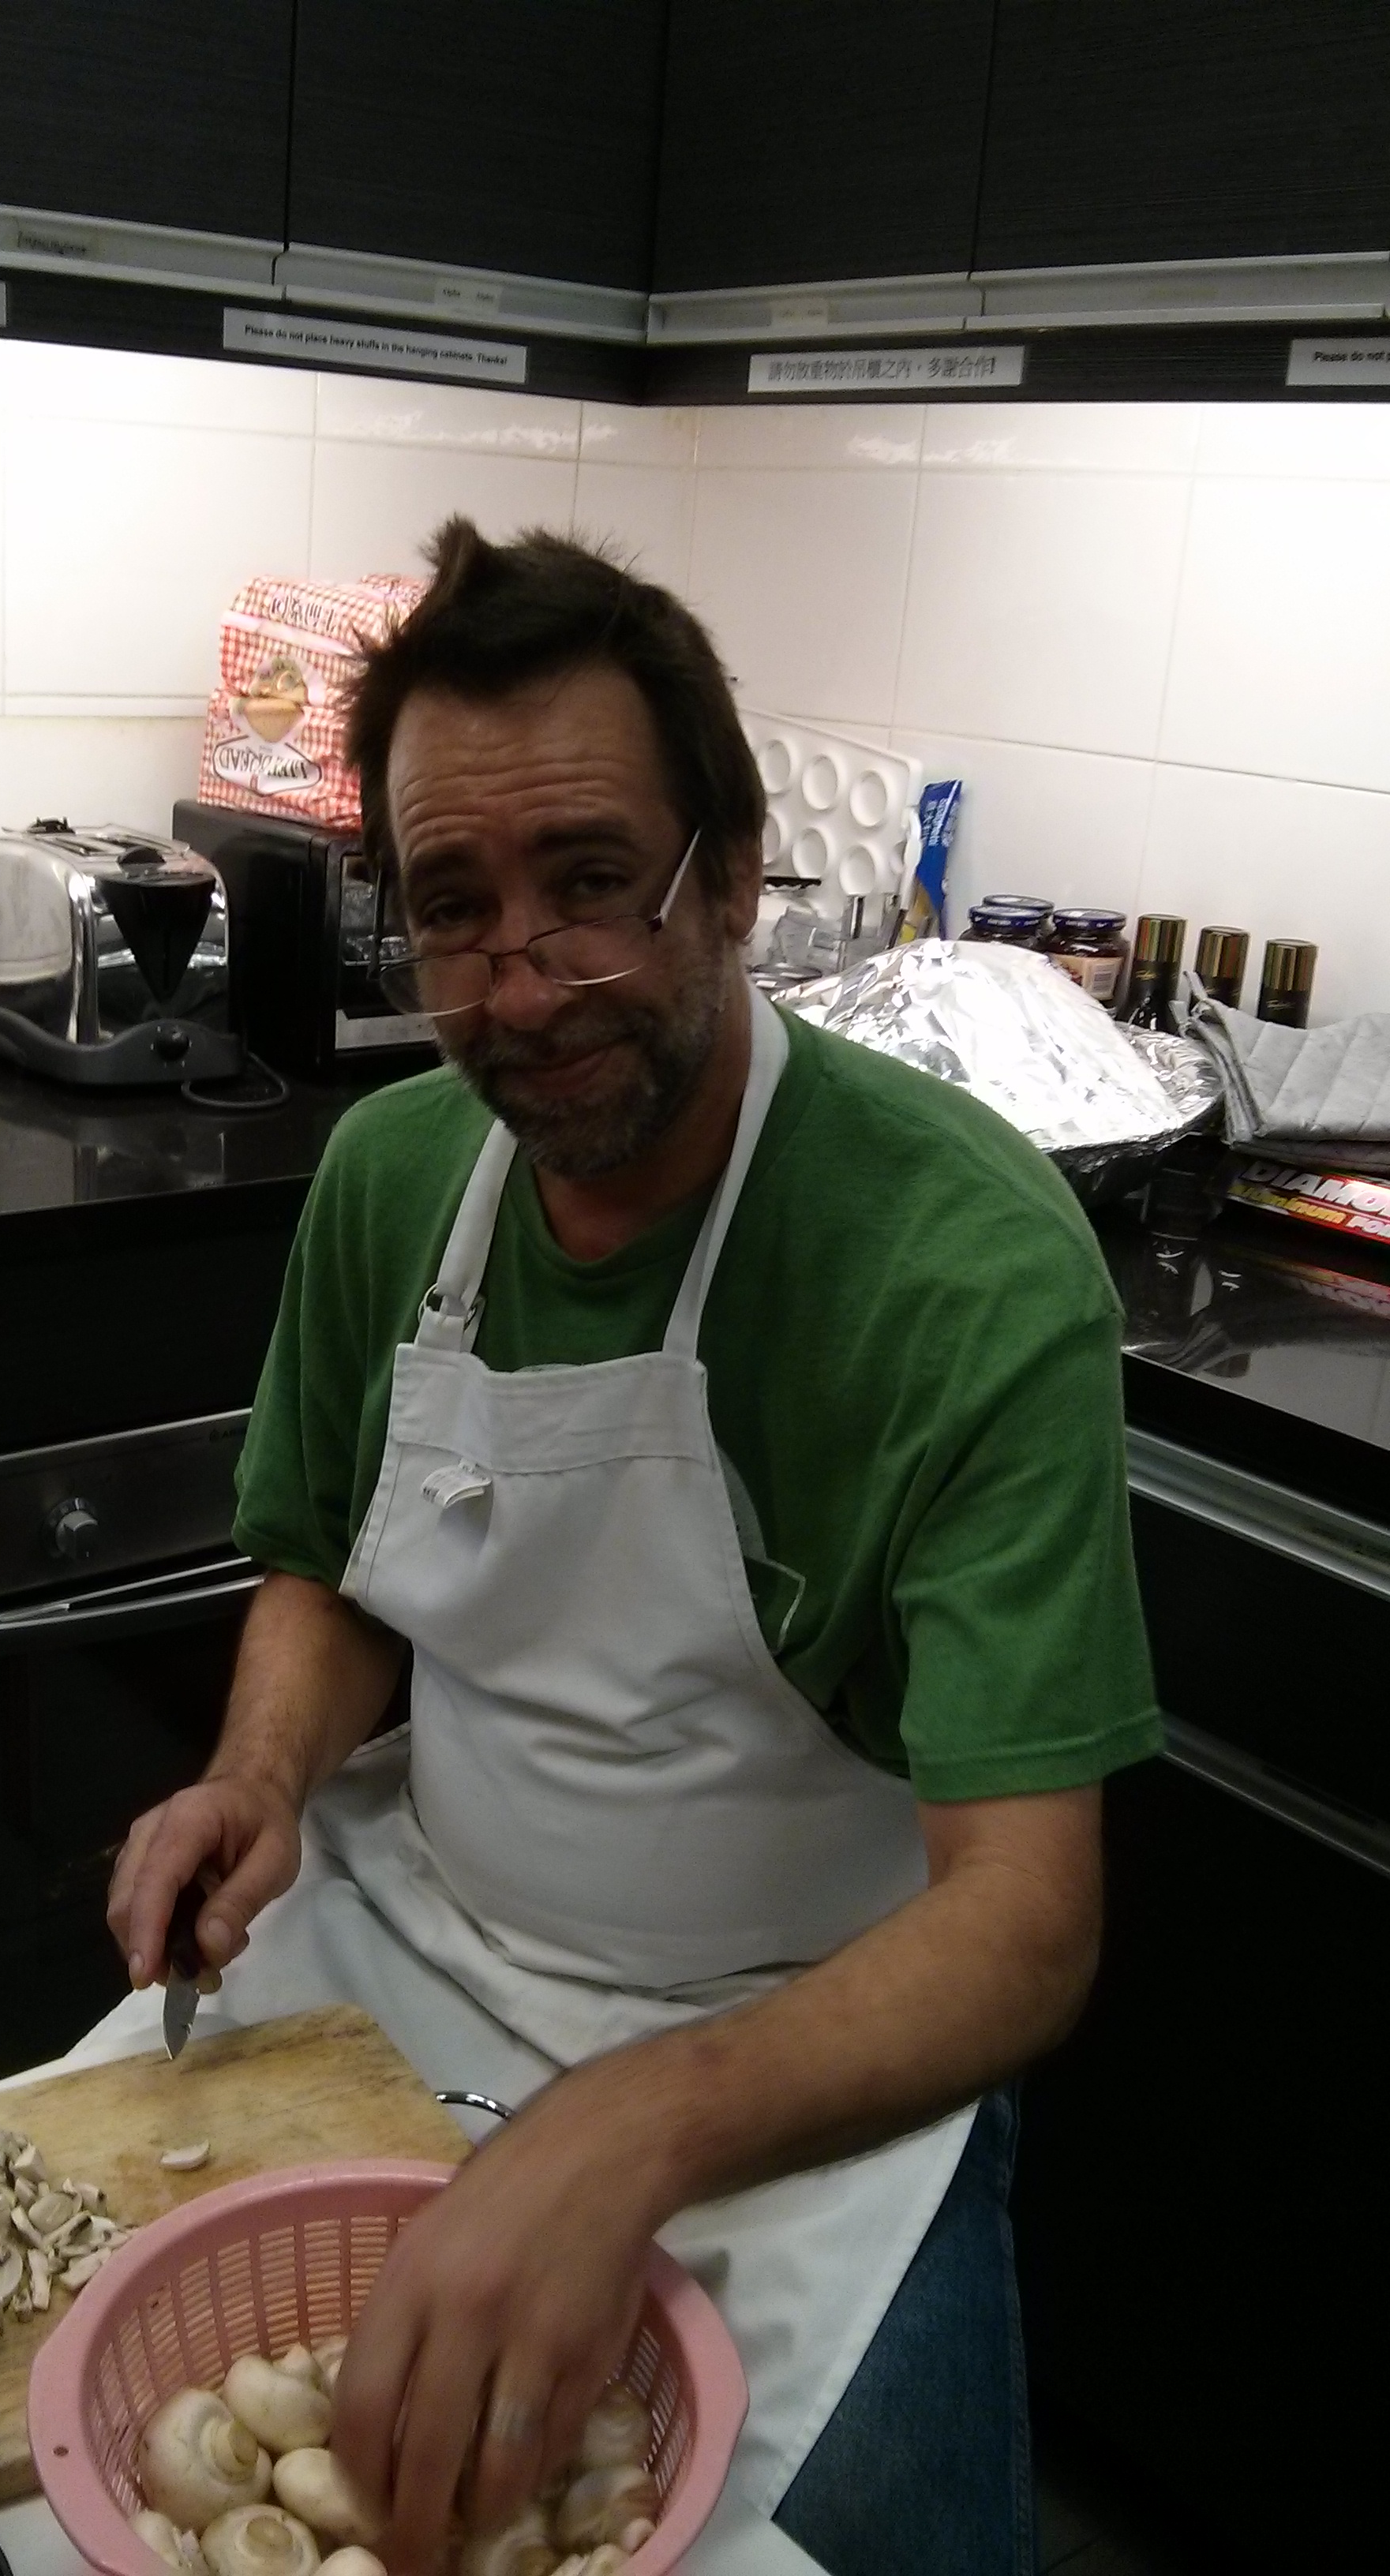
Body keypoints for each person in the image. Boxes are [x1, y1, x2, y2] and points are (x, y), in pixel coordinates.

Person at [92, 520, 1160, 2576]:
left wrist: (633, 2121)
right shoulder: (393, 1174)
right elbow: (320, 1561)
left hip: (804, 2046)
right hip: (411, 1942)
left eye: (592, 883)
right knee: (118, 2412)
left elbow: (1028, 1924)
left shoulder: (963, 1270)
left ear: (734, 876)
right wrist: (260, 1777)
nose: (520, 986)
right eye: (455, 909)